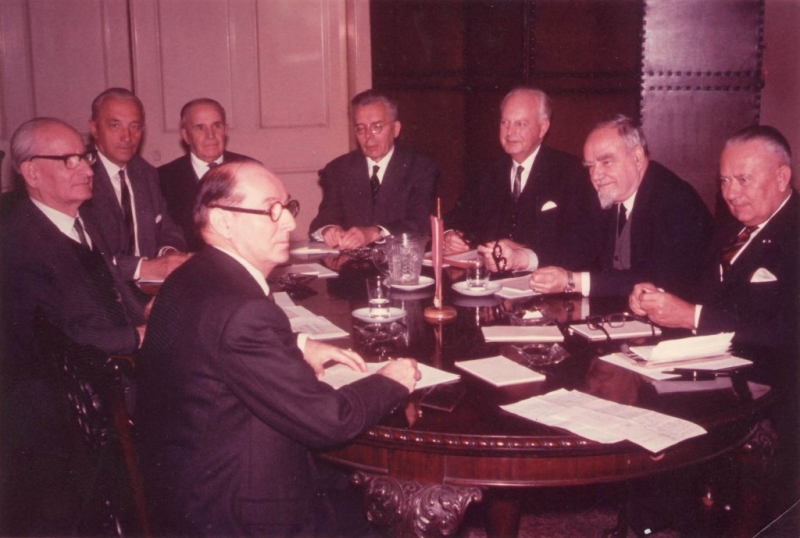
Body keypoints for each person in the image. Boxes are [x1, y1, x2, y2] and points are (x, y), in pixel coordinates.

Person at [135, 160, 420, 535]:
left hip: (188, 485)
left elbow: (217, 344)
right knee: (399, 515)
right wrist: (391, 381)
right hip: (236, 512)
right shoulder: (242, 310)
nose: (287, 222)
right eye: (272, 209)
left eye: (288, 207)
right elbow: (331, 421)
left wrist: (299, 344)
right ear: (223, 221)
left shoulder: (194, 274)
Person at [0, 118, 146, 535]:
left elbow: (107, 293)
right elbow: (56, 340)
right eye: (69, 160)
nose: (85, 168)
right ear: (32, 173)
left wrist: (148, 313)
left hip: (106, 372)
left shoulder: (81, 218)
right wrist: (136, 336)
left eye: (84, 156)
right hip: (69, 410)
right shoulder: (18, 244)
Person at [629, 125, 798, 354]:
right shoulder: (730, 228)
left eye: (743, 179)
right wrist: (655, 297)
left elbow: (788, 331)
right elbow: (704, 290)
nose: (730, 193)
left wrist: (693, 317)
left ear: (781, 177)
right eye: (725, 181)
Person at [529, 115, 713, 300]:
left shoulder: (675, 200)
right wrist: (525, 258)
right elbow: (577, 248)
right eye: (591, 166)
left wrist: (572, 281)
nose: (596, 175)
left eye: (606, 162)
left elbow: (655, 280)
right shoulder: (611, 193)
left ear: (637, 158)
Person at [444, 86, 601, 271]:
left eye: (520, 124)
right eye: (505, 122)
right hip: (490, 281)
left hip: (544, 280)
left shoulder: (572, 173)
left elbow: (583, 243)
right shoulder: (487, 173)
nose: (510, 132)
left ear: (543, 128)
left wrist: (524, 251)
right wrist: (451, 235)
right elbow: (457, 217)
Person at [82, 87, 189, 283]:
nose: (127, 137)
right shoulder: (80, 176)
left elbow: (169, 230)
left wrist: (168, 255)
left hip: (149, 287)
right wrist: (144, 268)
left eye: (135, 127)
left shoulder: (145, 172)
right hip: (103, 290)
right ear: (94, 129)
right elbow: (86, 258)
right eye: (115, 126)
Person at [308, 89, 439, 249]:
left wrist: (376, 232)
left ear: (396, 129)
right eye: (361, 128)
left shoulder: (420, 168)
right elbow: (322, 221)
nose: (368, 136)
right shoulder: (338, 169)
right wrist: (328, 230)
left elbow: (421, 224)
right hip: (351, 261)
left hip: (399, 258)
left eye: (377, 127)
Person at [158, 98, 253, 250]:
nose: (210, 135)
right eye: (200, 128)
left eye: (217, 126)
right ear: (186, 135)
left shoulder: (250, 170)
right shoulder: (163, 179)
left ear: (225, 130)